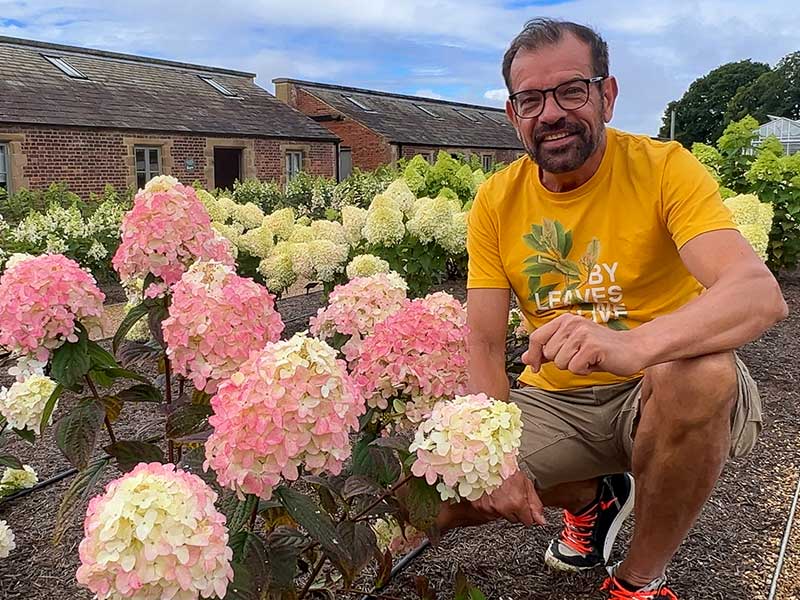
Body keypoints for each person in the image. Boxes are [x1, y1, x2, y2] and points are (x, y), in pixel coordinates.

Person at [449, 17, 788, 600]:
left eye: (571, 91)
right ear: (513, 114)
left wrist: (634, 344)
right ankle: (592, 498)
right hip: (559, 398)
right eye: (530, 99)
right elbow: (481, 344)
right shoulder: (496, 199)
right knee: (440, 495)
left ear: (607, 95)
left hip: (656, 387)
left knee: (701, 373)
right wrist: (489, 452)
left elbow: (758, 294)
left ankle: (638, 580)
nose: (550, 113)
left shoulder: (662, 168)